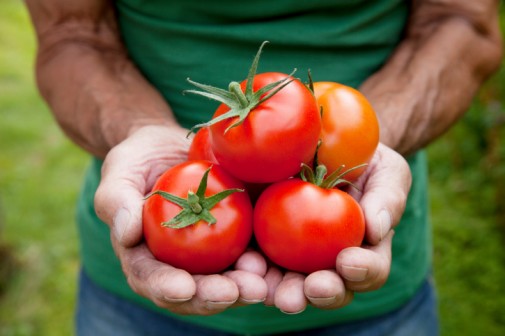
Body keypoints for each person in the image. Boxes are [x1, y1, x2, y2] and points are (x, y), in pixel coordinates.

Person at [25, 0, 502, 335]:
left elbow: (463, 20)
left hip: (375, 298)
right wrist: (137, 132)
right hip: (138, 285)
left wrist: (365, 146)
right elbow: (71, 33)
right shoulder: (213, 155)